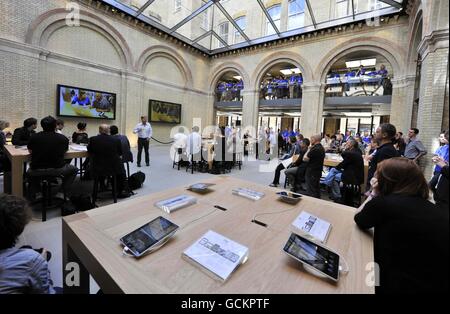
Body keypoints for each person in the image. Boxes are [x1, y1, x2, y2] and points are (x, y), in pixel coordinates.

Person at [354, 158, 449, 293]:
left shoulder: (384, 204)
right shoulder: (432, 207)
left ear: (389, 180)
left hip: (396, 281)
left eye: (378, 175)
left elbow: (359, 218)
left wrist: (374, 192)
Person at [0, 194, 56, 294]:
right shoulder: (32, 260)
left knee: (27, 248)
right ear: (19, 228)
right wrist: (41, 261)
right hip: (35, 268)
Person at [27, 116, 78, 198]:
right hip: (58, 169)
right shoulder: (63, 138)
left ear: (42, 125)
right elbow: (64, 152)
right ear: (55, 126)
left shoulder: (34, 137)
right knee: (74, 169)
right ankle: (61, 193)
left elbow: (30, 151)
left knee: (29, 172)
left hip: (36, 170)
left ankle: (38, 193)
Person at [88, 125, 129, 198]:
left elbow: (90, 151)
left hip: (97, 168)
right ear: (109, 131)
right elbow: (119, 153)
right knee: (121, 168)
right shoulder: (116, 140)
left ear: (99, 130)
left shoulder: (93, 139)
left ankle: (101, 185)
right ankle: (119, 191)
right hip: (113, 169)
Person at [367, 123, 399, 191]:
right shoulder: (384, 148)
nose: (375, 133)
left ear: (384, 135)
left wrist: (372, 189)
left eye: (377, 132)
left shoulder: (386, 150)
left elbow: (381, 172)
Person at [303, 134, 325, 199]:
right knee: (316, 188)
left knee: (311, 190)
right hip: (318, 170)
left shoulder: (314, 148)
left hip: (312, 171)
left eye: (311, 139)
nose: (310, 140)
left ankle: (311, 203)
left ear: (314, 140)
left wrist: (308, 149)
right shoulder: (321, 148)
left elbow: (304, 158)